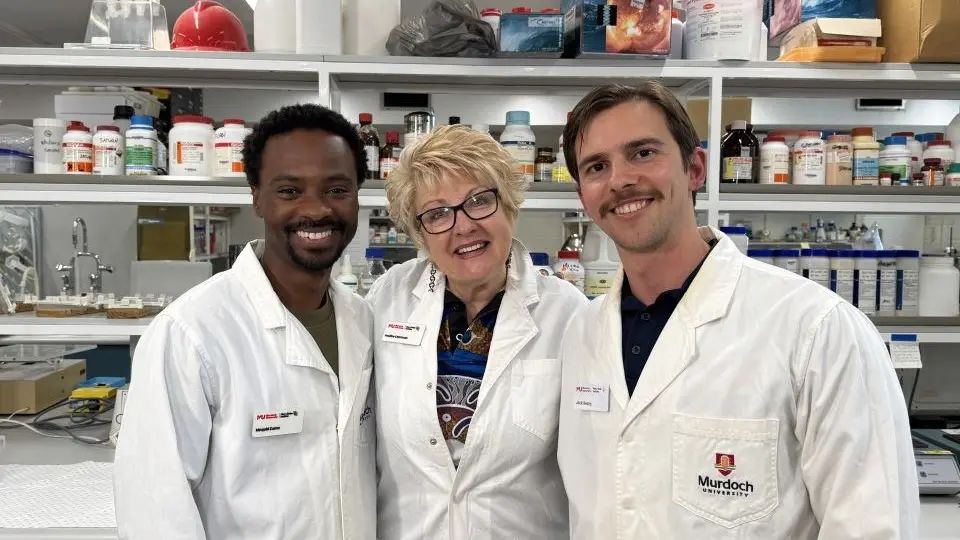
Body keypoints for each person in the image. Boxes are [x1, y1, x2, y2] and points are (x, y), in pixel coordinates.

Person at [556, 83, 919, 539]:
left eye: (643, 153)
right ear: (583, 197)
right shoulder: (582, 335)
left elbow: (874, 527)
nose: (620, 179)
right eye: (597, 166)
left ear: (695, 169)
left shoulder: (817, 330)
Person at [113, 104, 376, 539]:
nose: (316, 210)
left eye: (337, 189)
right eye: (290, 191)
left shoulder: (363, 320)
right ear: (256, 196)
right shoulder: (192, 333)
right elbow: (155, 512)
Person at [367, 124, 587, 539]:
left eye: (479, 201)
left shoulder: (567, 314)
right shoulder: (388, 298)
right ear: (419, 234)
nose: (463, 225)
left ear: (509, 206)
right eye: (437, 214)